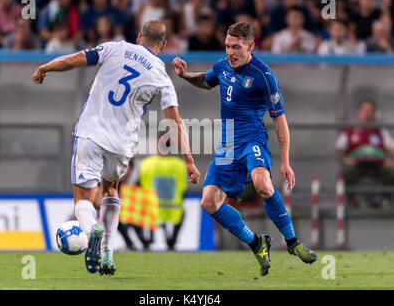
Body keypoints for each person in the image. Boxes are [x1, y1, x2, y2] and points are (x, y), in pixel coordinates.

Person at [32, 20, 201, 276]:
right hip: (122, 144)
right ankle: (108, 252)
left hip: (91, 133)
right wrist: (188, 159)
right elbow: (174, 121)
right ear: (164, 45)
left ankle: (92, 230)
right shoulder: (161, 74)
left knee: (83, 199)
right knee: (111, 188)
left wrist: (46, 67)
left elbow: (74, 60)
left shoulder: (114, 48)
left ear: (139, 36)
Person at [172, 21, 317, 276]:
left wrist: (285, 161)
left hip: (252, 140)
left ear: (250, 46)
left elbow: (280, 120)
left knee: (262, 184)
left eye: (236, 47)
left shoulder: (263, 76)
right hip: (227, 145)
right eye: (227, 46)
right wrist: (185, 75)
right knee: (208, 202)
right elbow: (205, 82)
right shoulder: (221, 66)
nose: (230, 52)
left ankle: (292, 242)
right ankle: (256, 242)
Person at [335, 98, 394, 208]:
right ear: (359, 112)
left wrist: (389, 160)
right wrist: (345, 159)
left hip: (378, 165)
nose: (366, 113)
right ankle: (352, 200)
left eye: (369, 110)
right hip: (358, 165)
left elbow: (391, 149)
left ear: (373, 113)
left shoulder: (381, 130)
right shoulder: (350, 130)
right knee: (346, 172)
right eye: (364, 110)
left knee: (391, 172)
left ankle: (383, 199)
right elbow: (339, 149)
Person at [139, 136, 188, 250]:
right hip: (173, 208)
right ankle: (172, 242)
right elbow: (183, 188)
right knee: (182, 214)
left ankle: (147, 240)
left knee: (139, 210)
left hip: (151, 207)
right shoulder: (180, 164)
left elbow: (141, 185)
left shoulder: (147, 163)